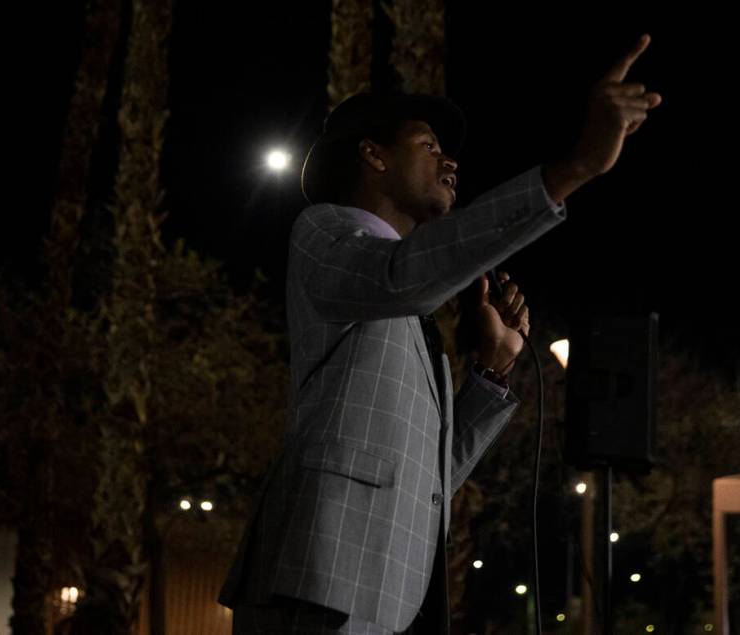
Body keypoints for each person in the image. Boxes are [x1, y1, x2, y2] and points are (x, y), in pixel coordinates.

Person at [219, 34, 661, 634]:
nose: (450, 161)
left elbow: (428, 480)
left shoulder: (406, 301)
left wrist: (491, 371)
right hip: (320, 580)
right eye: (428, 146)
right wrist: (574, 167)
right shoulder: (325, 233)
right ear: (373, 155)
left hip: (387, 596)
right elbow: (402, 275)